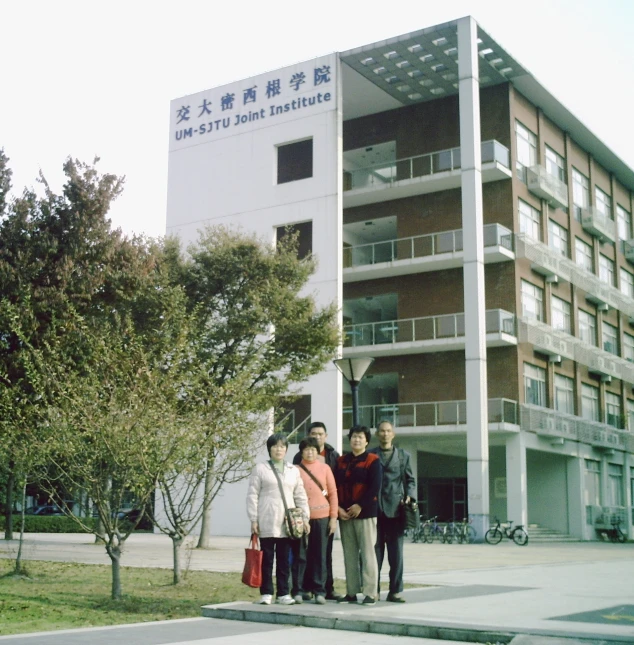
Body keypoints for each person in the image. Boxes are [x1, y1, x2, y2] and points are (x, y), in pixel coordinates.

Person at [246, 432, 309, 606]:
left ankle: (283, 593)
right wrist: (253, 519)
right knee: (266, 559)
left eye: (282, 446)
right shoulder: (260, 469)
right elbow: (252, 494)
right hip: (266, 518)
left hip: (287, 522)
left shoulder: (293, 470)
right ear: (269, 449)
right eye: (275, 446)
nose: (278, 449)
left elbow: (300, 495)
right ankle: (266, 593)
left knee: (283, 560)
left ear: (287, 449)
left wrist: (305, 517)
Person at [293, 421, 342, 600]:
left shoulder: (328, 464)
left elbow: (333, 493)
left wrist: (333, 517)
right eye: (307, 449)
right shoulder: (295, 468)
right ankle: (299, 590)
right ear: (302, 451)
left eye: (313, 449)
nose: (310, 451)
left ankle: (320, 591)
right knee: (301, 555)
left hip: (322, 517)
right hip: (302, 518)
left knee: (321, 556)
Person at [333, 425, 382, 605]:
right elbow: (334, 486)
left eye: (361, 437)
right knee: (350, 554)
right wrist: (338, 508)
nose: (357, 440)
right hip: (345, 514)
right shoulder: (341, 461)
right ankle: (351, 592)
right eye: (354, 436)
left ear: (367, 441)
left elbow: (375, 486)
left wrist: (360, 505)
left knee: (368, 553)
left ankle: (370, 592)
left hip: (366, 513)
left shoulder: (373, 460)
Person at [370, 420, 417, 603]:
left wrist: (410, 496)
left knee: (396, 554)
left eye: (388, 431)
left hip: (396, 511)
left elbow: (410, 480)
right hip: (374, 510)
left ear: (393, 434)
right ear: (377, 434)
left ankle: (395, 590)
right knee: (375, 554)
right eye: (381, 431)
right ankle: (373, 590)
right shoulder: (370, 455)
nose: (385, 434)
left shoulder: (403, 456)